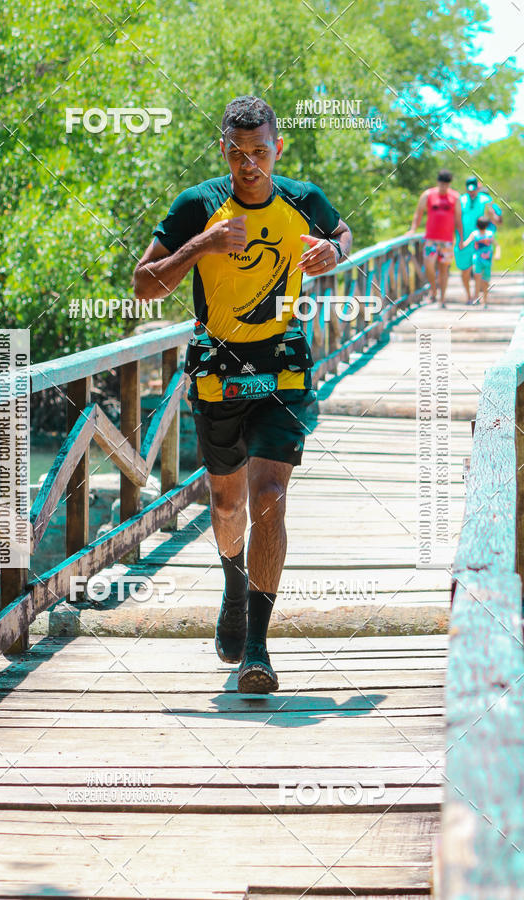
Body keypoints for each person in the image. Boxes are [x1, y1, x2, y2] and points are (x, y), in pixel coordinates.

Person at [133, 95, 352, 693]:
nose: (250, 164)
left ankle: (257, 649)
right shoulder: (197, 205)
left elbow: (341, 233)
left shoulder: (303, 199)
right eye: (238, 153)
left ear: (278, 148)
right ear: (223, 150)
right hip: (217, 369)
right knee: (227, 506)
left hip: (283, 361)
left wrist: (335, 251)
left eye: (261, 152)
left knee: (271, 497)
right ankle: (233, 587)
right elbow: (142, 287)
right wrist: (199, 246)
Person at [407, 169, 463, 308]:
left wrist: (461, 238)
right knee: (429, 265)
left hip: (447, 240)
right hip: (431, 239)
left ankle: (442, 299)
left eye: (446, 184)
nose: (444, 186)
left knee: (444, 269)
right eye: (442, 183)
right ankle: (433, 290)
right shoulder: (428, 195)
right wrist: (413, 229)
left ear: (449, 184)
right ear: (438, 182)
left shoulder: (455, 197)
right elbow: (418, 213)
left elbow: (458, 219)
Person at [454, 176, 499, 303]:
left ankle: (477, 296)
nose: (471, 192)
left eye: (473, 190)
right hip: (464, 239)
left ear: (477, 188)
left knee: (480, 271)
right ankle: (468, 296)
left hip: (481, 242)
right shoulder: (460, 200)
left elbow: (493, 217)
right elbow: (456, 219)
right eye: (469, 190)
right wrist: (460, 238)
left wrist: (494, 219)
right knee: (465, 270)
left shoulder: (486, 200)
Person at [460, 217, 495, 307]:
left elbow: (465, 243)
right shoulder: (486, 233)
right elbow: (466, 242)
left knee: (484, 279)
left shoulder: (487, 234)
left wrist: (461, 245)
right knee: (479, 278)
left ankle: (484, 299)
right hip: (479, 260)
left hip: (485, 260)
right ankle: (478, 298)